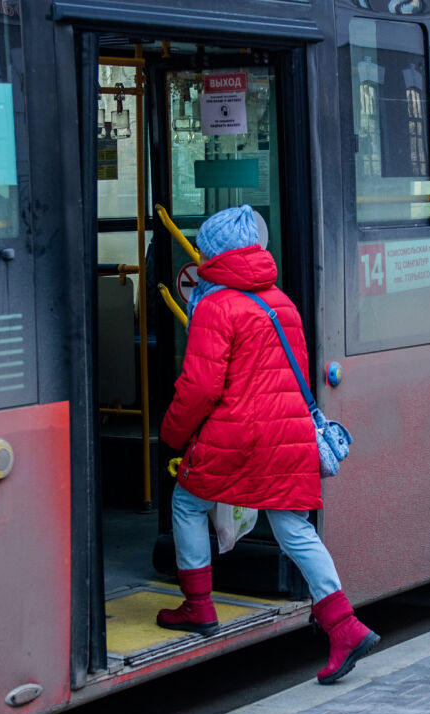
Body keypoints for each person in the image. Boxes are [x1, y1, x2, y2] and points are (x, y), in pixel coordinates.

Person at [158, 205, 379, 685]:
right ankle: (344, 626)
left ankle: (199, 607)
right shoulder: (281, 301)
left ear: (214, 251)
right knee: (293, 528)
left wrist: (172, 434)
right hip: (290, 433)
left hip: (237, 436)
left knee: (186, 503)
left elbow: (200, 387)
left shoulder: (214, 304)